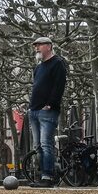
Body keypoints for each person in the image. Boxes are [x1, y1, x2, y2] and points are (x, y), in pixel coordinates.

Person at [28, 36, 67, 186]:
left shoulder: (57, 63)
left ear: (49, 46)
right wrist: (31, 107)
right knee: (37, 146)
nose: (36, 48)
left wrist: (51, 104)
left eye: (39, 45)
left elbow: (59, 85)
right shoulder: (38, 67)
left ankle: (48, 176)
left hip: (47, 111)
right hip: (34, 111)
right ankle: (44, 174)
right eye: (35, 46)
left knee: (46, 144)